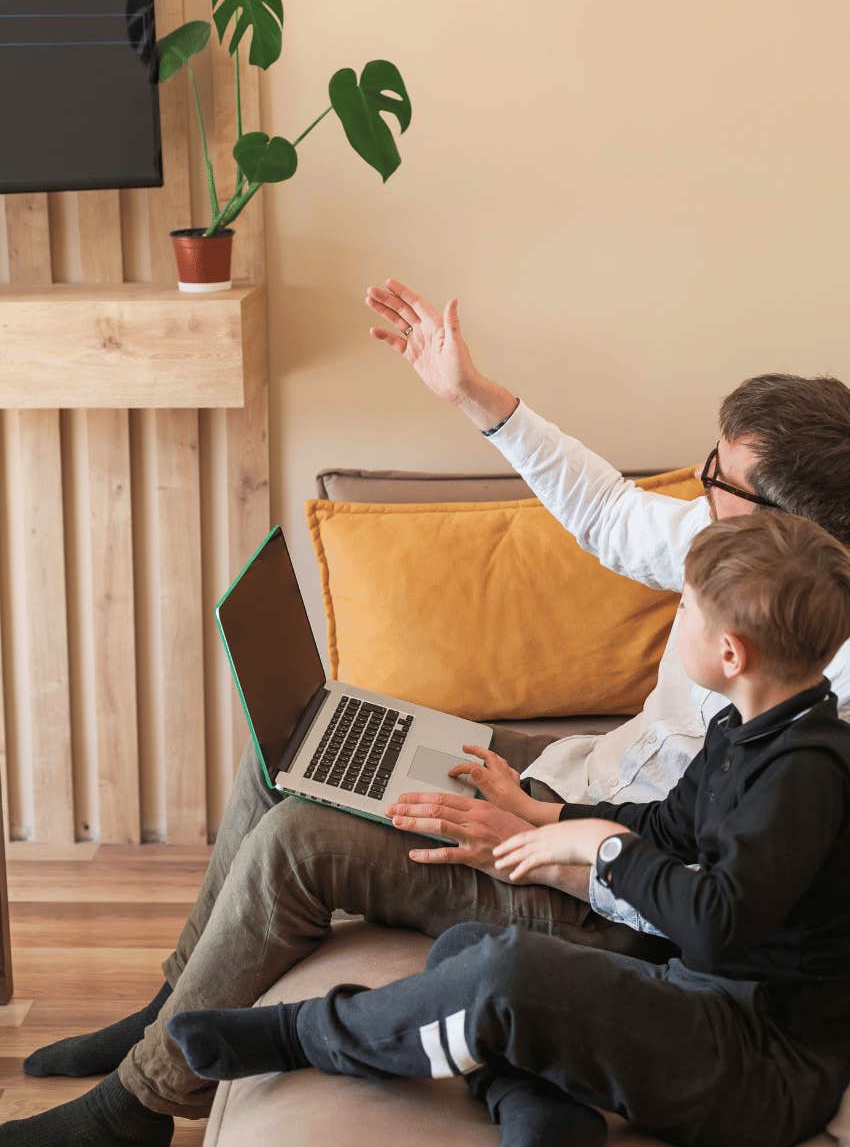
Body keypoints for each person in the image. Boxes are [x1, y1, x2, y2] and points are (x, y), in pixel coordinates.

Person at [5, 281, 850, 1144]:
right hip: (570, 791)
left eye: (719, 479)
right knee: (299, 744)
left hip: (607, 911)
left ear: (787, 528)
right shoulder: (740, 556)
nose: (699, 491)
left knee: (304, 839)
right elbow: (607, 513)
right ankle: (168, 1007)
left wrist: (554, 848)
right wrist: (472, 395)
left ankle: (137, 1106)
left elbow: (726, 906)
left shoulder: (811, 687)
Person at [167, 511, 850, 1147]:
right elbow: (670, 824)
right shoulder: (745, 728)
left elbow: (716, 924)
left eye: (688, 611)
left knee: (508, 974)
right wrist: (540, 813)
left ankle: (300, 1034)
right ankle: (536, 1108)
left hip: (762, 1068)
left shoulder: (807, 775)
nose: (678, 619)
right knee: (469, 947)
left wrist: (604, 850)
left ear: (731, 654)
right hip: (703, 998)